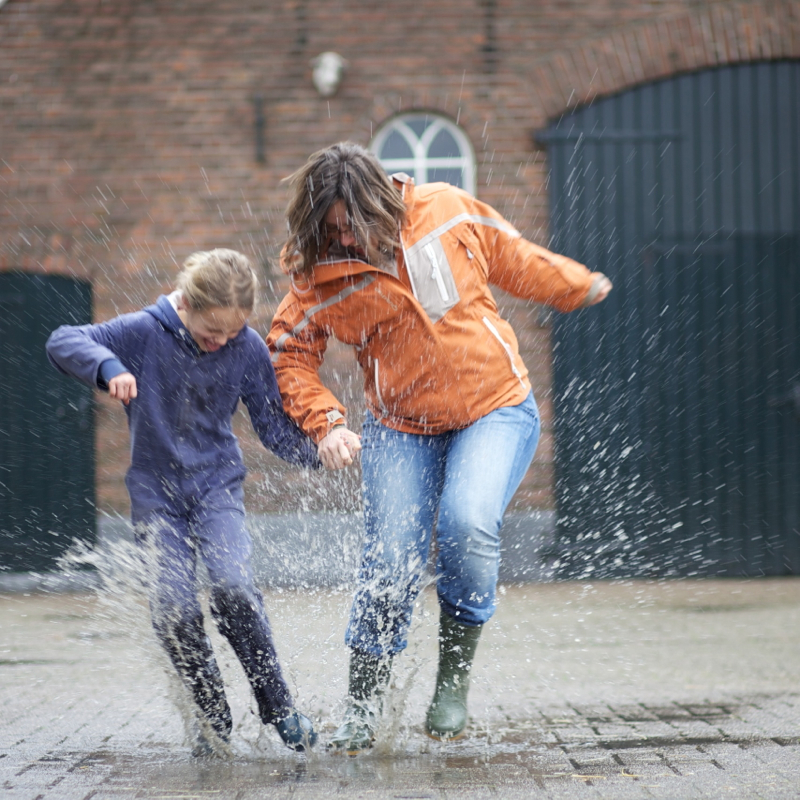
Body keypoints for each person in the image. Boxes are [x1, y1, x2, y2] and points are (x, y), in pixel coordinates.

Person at [268, 142, 612, 753]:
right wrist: (326, 423)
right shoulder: (316, 272)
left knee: (467, 523)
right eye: (330, 230)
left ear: (380, 203)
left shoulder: (445, 211)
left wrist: (577, 285)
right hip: (401, 426)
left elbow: (517, 258)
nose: (344, 240)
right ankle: (364, 701)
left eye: (352, 225)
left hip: (494, 408)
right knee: (391, 558)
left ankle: (451, 681)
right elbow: (290, 354)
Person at [46, 248, 319, 755]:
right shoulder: (144, 332)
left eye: (232, 334)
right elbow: (63, 341)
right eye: (211, 333)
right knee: (173, 606)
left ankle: (278, 704)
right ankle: (211, 712)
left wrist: (321, 449)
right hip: (158, 498)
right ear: (187, 305)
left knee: (233, 587)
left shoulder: (247, 347)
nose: (221, 343)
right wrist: (107, 367)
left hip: (217, 488)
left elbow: (273, 429)